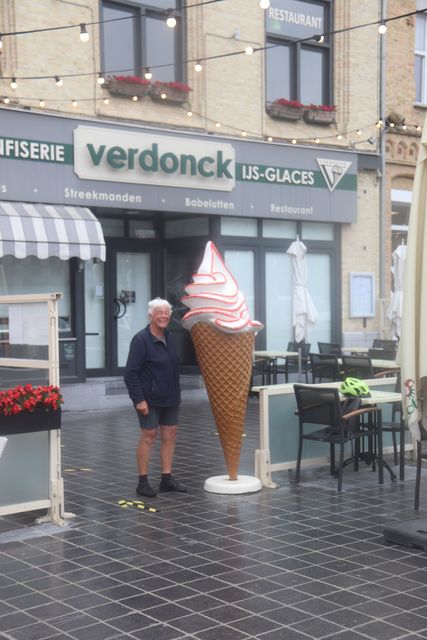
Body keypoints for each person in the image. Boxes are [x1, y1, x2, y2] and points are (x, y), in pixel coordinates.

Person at [124, 297, 187, 498]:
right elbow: (131, 373)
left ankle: (166, 479)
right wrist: (138, 400)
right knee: (149, 437)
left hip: (170, 397)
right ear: (151, 315)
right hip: (149, 399)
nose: (163, 316)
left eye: (166, 312)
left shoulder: (169, 337)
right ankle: (142, 482)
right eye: (159, 312)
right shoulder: (141, 340)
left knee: (170, 436)